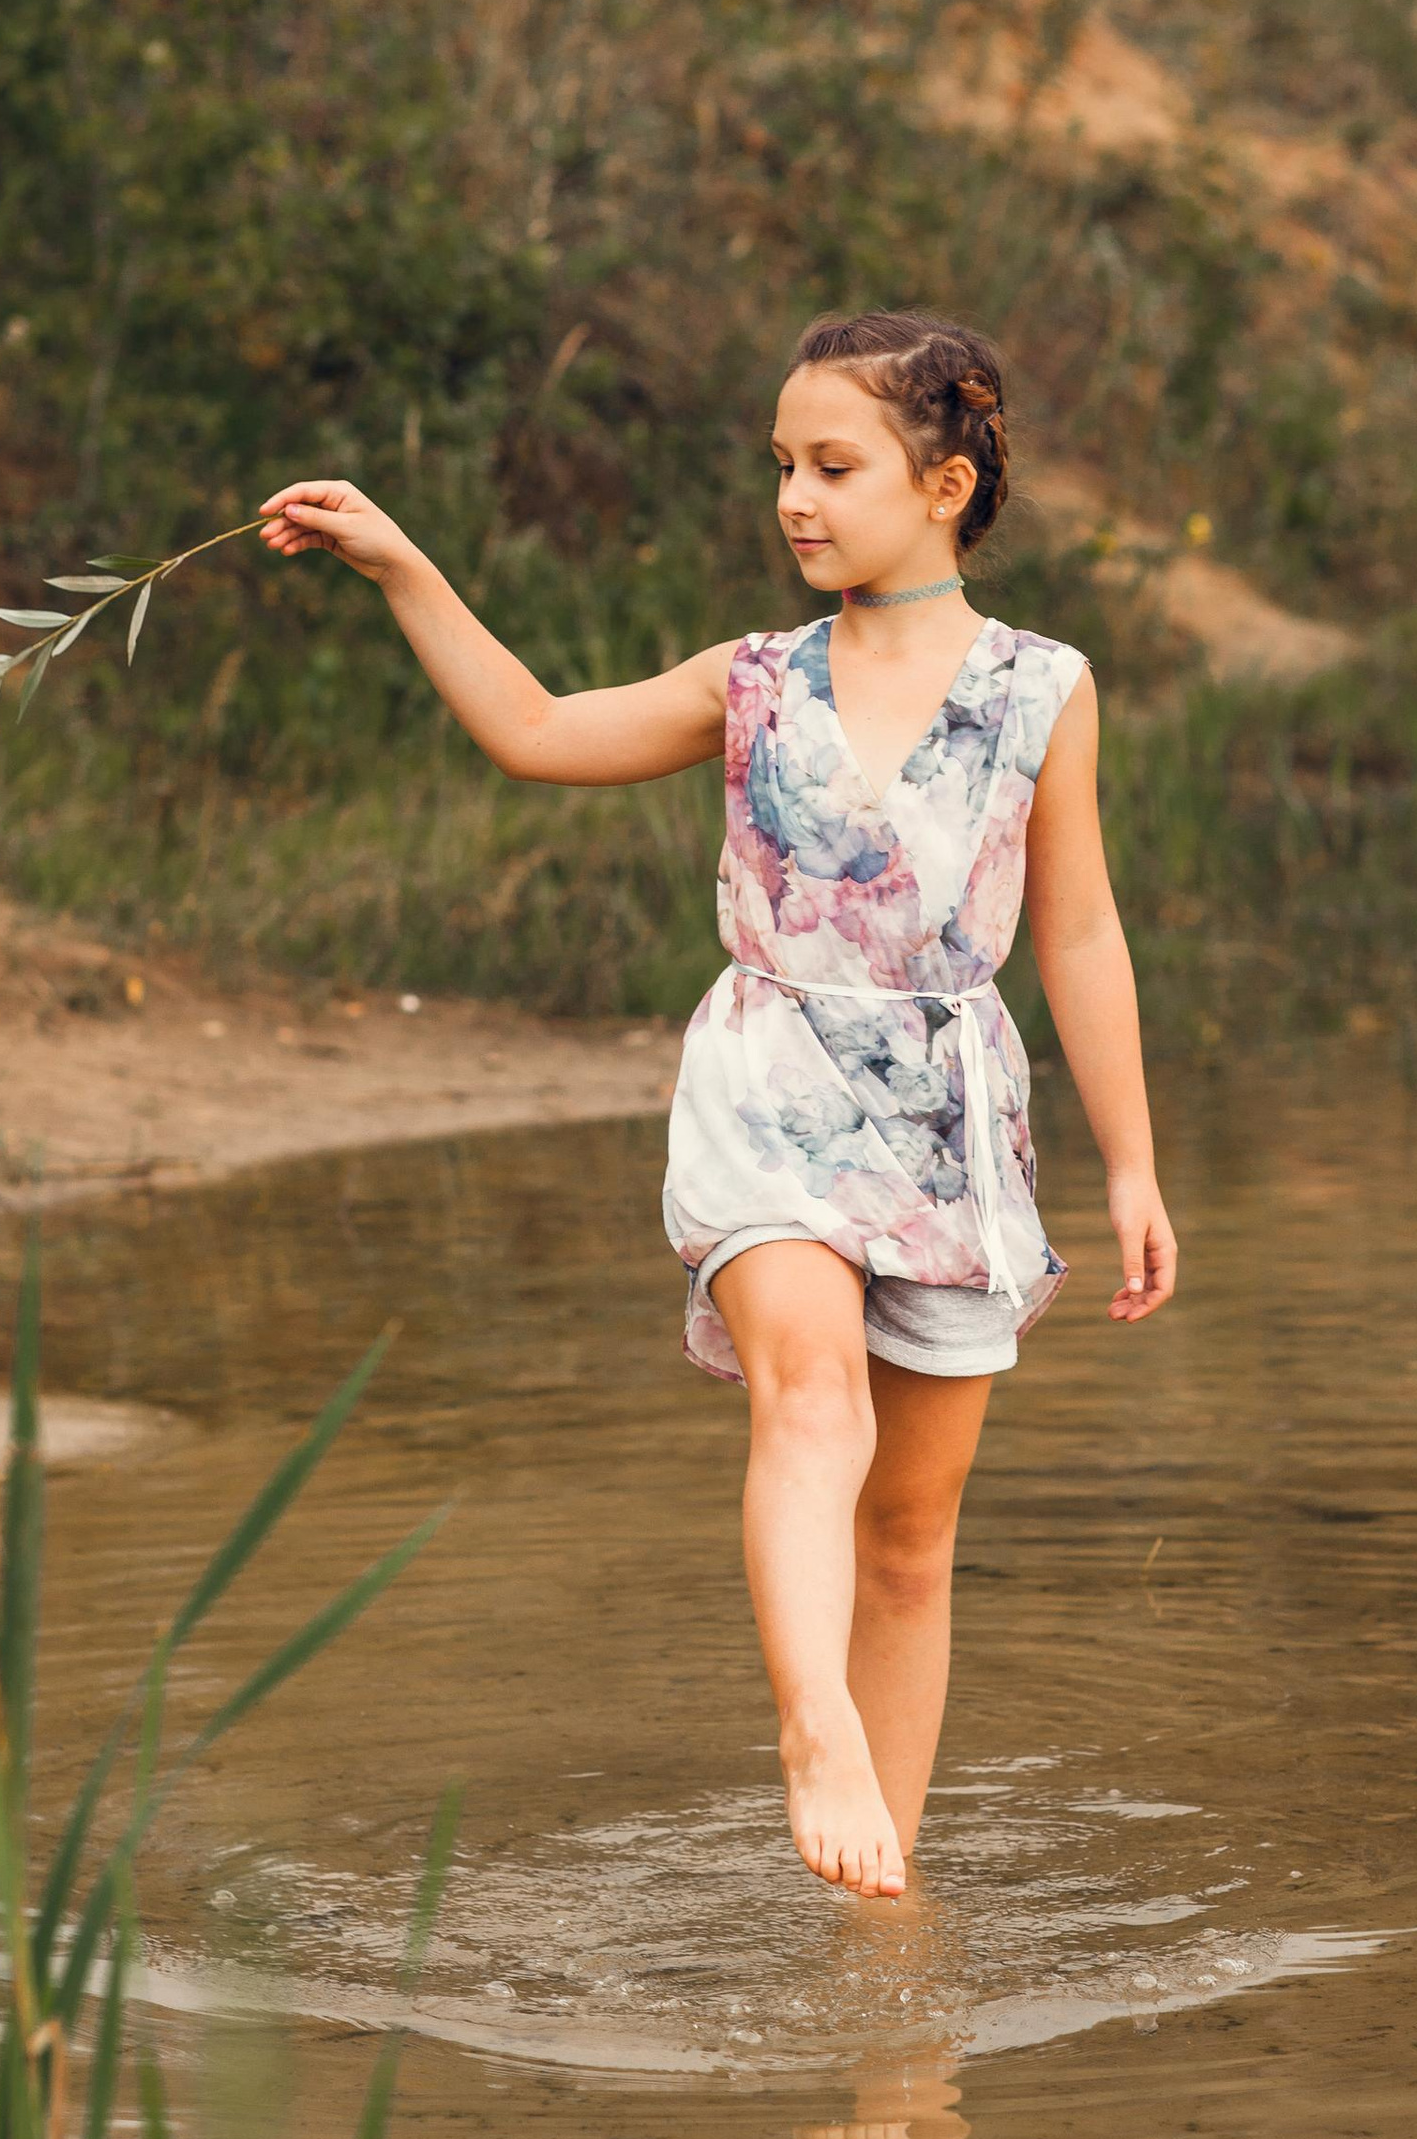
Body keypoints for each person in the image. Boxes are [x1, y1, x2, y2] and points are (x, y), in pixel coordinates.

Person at [261, 309, 1177, 1903]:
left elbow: (1083, 931)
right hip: (770, 1086)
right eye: (781, 468)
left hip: (951, 1124)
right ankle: (811, 1725)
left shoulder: (1045, 689)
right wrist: (404, 564)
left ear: (946, 484)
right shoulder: (749, 680)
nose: (794, 501)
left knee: (909, 1540)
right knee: (808, 1394)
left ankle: (882, 1918)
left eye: (833, 467)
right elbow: (537, 733)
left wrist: (1136, 1171)